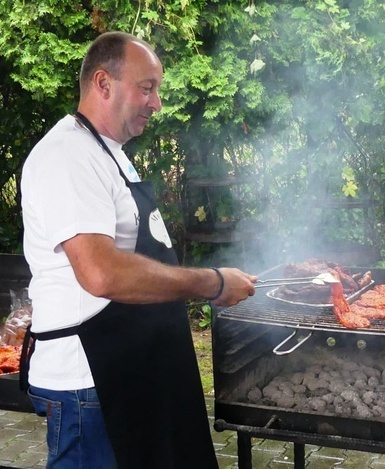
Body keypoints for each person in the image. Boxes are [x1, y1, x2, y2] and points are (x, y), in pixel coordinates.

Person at [20, 31, 257, 469]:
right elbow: (101, 273)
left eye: (157, 90)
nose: (157, 103)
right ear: (103, 83)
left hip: (128, 373)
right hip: (90, 387)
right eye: (146, 88)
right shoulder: (69, 154)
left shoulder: (109, 153)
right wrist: (212, 282)